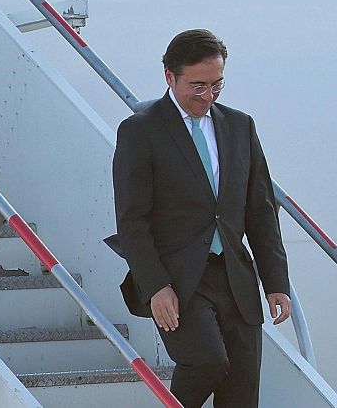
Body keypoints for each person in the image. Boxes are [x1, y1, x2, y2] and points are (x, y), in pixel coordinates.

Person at [110, 29, 292, 408]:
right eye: (198, 86)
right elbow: (132, 220)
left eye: (216, 84)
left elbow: (260, 211)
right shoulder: (141, 131)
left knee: (242, 390)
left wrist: (276, 282)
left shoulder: (240, 126)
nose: (208, 96)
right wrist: (156, 285)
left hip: (235, 277)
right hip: (177, 279)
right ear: (170, 77)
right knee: (207, 362)